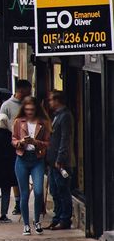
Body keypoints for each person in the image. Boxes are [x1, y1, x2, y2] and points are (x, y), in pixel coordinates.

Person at [12, 96, 51, 235]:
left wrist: (36, 142)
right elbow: (13, 139)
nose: (29, 112)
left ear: (36, 109)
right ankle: (26, 225)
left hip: (37, 158)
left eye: (32, 109)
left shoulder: (43, 122)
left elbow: (47, 142)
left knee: (39, 191)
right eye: (27, 109)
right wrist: (20, 142)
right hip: (22, 158)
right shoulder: (18, 122)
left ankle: (37, 220)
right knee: (24, 194)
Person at [46, 91, 74, 230]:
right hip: (52, 161)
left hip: (60, 162)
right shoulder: (56, 116)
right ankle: (57, 217)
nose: (49, 102)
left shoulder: (65, 116)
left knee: (63, 190)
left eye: (51, 100)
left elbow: (65, 139)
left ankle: (65, 219)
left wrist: (60, 158)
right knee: (54, 191)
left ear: (58, 100)